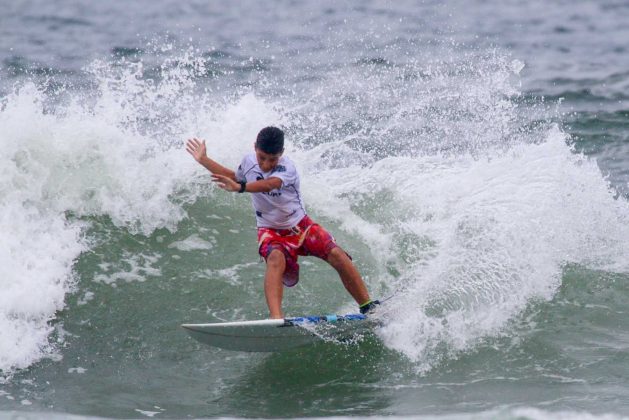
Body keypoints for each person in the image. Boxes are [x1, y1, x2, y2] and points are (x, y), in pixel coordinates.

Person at [186, 126, 378, 319]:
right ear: (255, 148)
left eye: (272, 159)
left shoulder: (288, 168)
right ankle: (276, 319)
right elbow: (236, 178)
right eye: (262, 157)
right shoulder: (248, 162)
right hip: (270, 230)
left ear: (281, 154)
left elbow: (270, 184)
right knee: (275, 258)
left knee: (337, 254)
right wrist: (203, 160)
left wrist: (241, 188)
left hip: (300, 226)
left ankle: (367, 306)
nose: (266, 164)